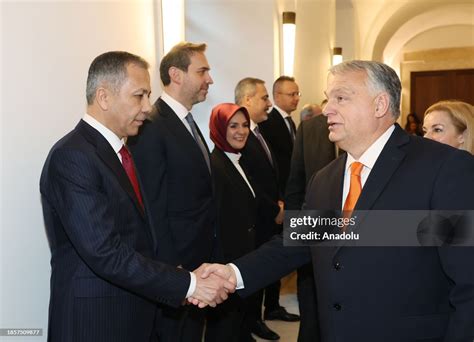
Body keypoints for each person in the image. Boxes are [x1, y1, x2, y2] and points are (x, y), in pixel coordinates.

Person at [197, 60, 474, 342]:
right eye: (329, 99)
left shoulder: (443, 168)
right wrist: (232, 273)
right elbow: (294, 242)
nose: (328, 109)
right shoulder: (324, 179)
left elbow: (468, 282)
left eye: (341, 98)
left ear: (380, 105)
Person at [40, 51, 233, 342]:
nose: (147, 108)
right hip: (96, 321)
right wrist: (187, 284)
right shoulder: (73, 156)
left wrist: (175, 272)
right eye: (138, 96)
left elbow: (139, 231)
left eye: (148, 96)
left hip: (132, 312)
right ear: (104, 97)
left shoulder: (121, 151)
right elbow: (105, 252)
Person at [127, 42, 216, 341]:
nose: (210, 79)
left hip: (198, 260)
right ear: (176, 75)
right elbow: (151, 204)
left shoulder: (188, 122)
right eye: (202, 71)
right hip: (176, 266)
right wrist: (170, 268)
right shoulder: (152, 124)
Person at [234, 77, 284, 340]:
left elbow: (269, 174)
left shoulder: (258, 131)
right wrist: (273, 208)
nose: (269, 103)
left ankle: (257, 318)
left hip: (270, 213)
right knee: (255, 271)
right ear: (247, 100)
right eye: (265, 98)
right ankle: (251, 322)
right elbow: (250, 181)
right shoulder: (240, 137)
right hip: (256, 218)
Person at [205, 103, 257, 342]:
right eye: (233, 125)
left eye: (245, 125)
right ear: (218, 129)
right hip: (227, 262)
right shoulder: (216, 165)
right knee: (226, 331)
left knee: (239, 327)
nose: (241, 131)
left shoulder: (238, 160)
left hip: (243, 259)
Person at [285, 113, 337, 342]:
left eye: (341, 97)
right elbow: (295, 185)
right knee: (312, 313)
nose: (331, 107)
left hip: (359, 243)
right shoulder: (310, 128)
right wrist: (295, 234)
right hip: (313, 237)